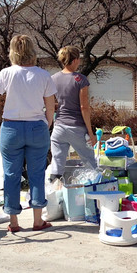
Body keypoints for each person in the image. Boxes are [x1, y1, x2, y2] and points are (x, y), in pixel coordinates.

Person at [0, 35, 56, 233]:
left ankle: (14, 222)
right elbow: (50, 105)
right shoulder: (44, 75)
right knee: (37, 173)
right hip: (37, 127)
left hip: (11, 129)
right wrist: (47, 124)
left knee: (11, 175)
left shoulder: (7, 73)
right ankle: (37, 220)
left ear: (12, 52)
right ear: (32, 51)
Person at [49, 46, 97, 181]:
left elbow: (50, 104)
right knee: (90, 161)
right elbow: (84, 107)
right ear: (75, 60)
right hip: (76, 127)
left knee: (57, 165)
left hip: (59, 127)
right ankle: (95, 190)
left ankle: (53, 192)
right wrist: (90, 133)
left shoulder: (53, 79)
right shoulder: (80, 79)